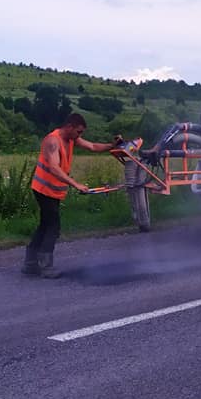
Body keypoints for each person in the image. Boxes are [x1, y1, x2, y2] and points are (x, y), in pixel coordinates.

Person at [23, 113, 121, 278]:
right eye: (78, 131)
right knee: (53, 227)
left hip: (53, 190)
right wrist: (76, 184)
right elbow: (54, 168)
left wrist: (112, 145)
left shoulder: (71, 139)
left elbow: (92, 147)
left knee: (45, 225)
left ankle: (30, 264)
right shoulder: (52, 141)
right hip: (44, 189)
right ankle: (45, 267)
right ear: (69, 126)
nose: (79, 135)